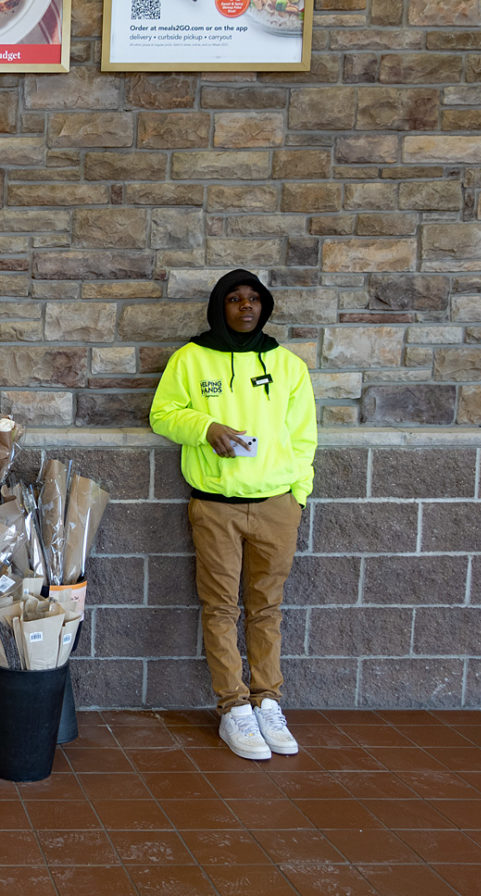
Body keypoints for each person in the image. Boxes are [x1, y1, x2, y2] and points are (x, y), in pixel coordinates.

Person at [149, 269, 316, 761]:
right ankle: (233, 709)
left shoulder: (287, 366)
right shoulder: (191, 359)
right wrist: (205, 426)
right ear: (218, 307)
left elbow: (305, 438)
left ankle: (267, 701)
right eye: (235, 300)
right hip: (216, 507)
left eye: (254, 300)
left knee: (266, 608)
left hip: (277, 506)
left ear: (265, 306)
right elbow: (163, 414)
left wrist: (297, 496)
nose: (246, 307)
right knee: (221, 607)